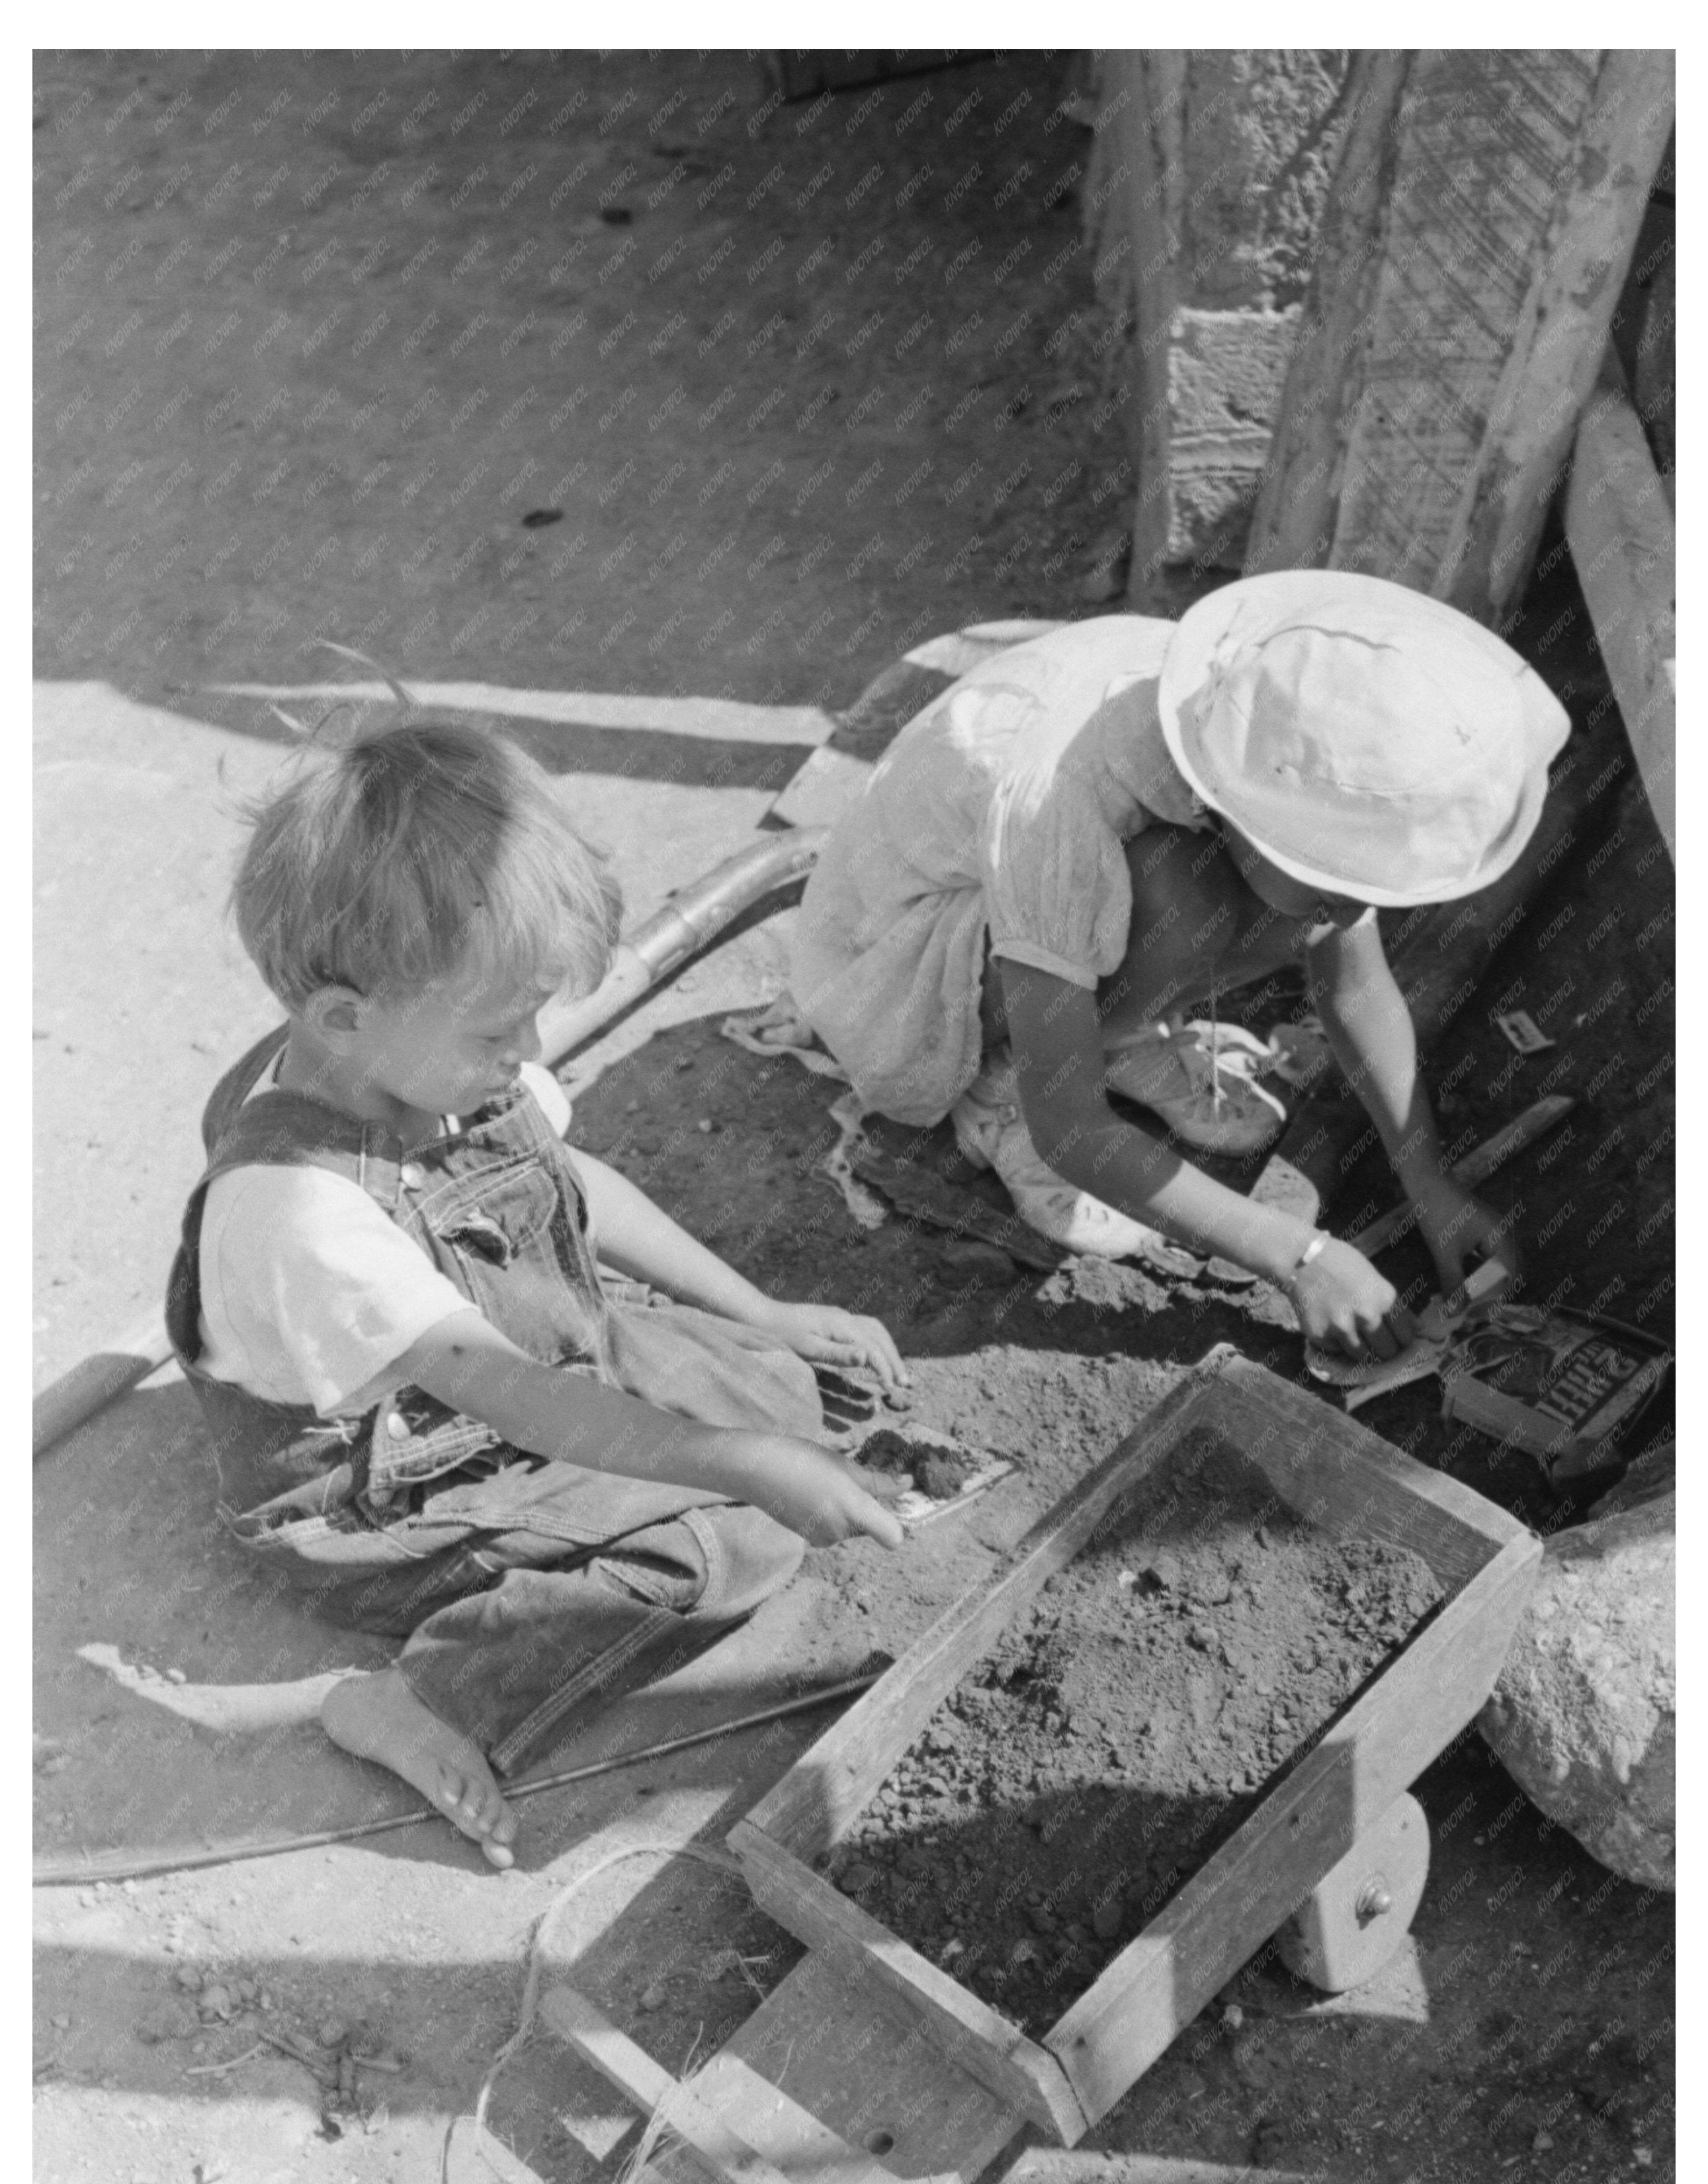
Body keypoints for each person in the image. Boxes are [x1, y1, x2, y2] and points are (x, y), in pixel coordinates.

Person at [165, 709, 908, 1867]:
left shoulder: (432, 1057)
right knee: (728, 1542)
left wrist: (755, 1316)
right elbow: (509, 1392)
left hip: (491, 1374)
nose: (524, 1049)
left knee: (798, 1392)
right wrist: (739, 1463)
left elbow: (574, 1186)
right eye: (498, 1026)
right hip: (381, 1484)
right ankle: (429, 1697)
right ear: (341, 1017)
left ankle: (729, 1426)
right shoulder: (299, 1205)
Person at [790, 570, 1572, 1356]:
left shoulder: (1277, 749)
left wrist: (1428, 1180)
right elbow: (1073, 1129)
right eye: (1333, 876)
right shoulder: (1062, 806)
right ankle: (998, 1093)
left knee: (1279, 912)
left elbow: (1353, 982)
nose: (1349, 907)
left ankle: (1113, 1032)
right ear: (1243, 817)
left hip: (1043, 898)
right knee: (1179, 896)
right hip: (897, 955)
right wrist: (1295, 1258)